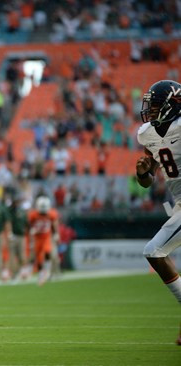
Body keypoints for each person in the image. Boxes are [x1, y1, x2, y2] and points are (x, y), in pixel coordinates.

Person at [135, 80, 181, 345]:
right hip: (177, 204)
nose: (150, 111)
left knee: (154, 250)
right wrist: (142, 172)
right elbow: (147, 181)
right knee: (155, 252)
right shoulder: (147, 134)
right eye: (149, 105)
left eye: (155, 105)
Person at [27, 196, 59, 286]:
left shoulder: (51, 213)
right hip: (37, 237)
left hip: (46, 237)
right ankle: (41, 274)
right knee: (39, 257)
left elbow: (54, 223)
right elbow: (29, 224)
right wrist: (32, 229)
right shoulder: (33, 214)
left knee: (47, 251)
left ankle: (47, 270)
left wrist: (56, 233)